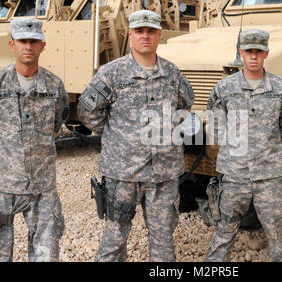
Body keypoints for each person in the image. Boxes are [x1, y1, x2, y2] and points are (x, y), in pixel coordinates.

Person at [78, 9, 195, 262]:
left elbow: (185, 106)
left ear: (159, 35)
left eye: (150, 31)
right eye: (139, 31)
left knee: (163, 241)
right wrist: (119, 136)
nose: (145, 36)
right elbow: (88, 113)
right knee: (114, 240)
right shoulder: (112, 73)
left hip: (164, 174)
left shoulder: (173, 74)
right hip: (123, 174)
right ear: (130, 34)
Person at [0, 18, 69, 261]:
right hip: (1, 184)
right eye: (23, 40)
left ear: (42, 46)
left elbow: (56, 126)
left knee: (46, 252)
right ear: (11, 44)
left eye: (33, 41)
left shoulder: (54, 85)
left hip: (41, 186)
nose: (28, 46)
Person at [205, 29, 282, 262]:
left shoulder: (281, 88)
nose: (253, 56)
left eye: (258, 51)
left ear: (266, 53)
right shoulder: (224, 88)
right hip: (234, 173)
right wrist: (234, 148)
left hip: (269, 175)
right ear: (241, 53)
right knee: (225, 228)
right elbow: (216, 125)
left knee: (279, 229)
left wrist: (265, 146)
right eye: (248, 51)